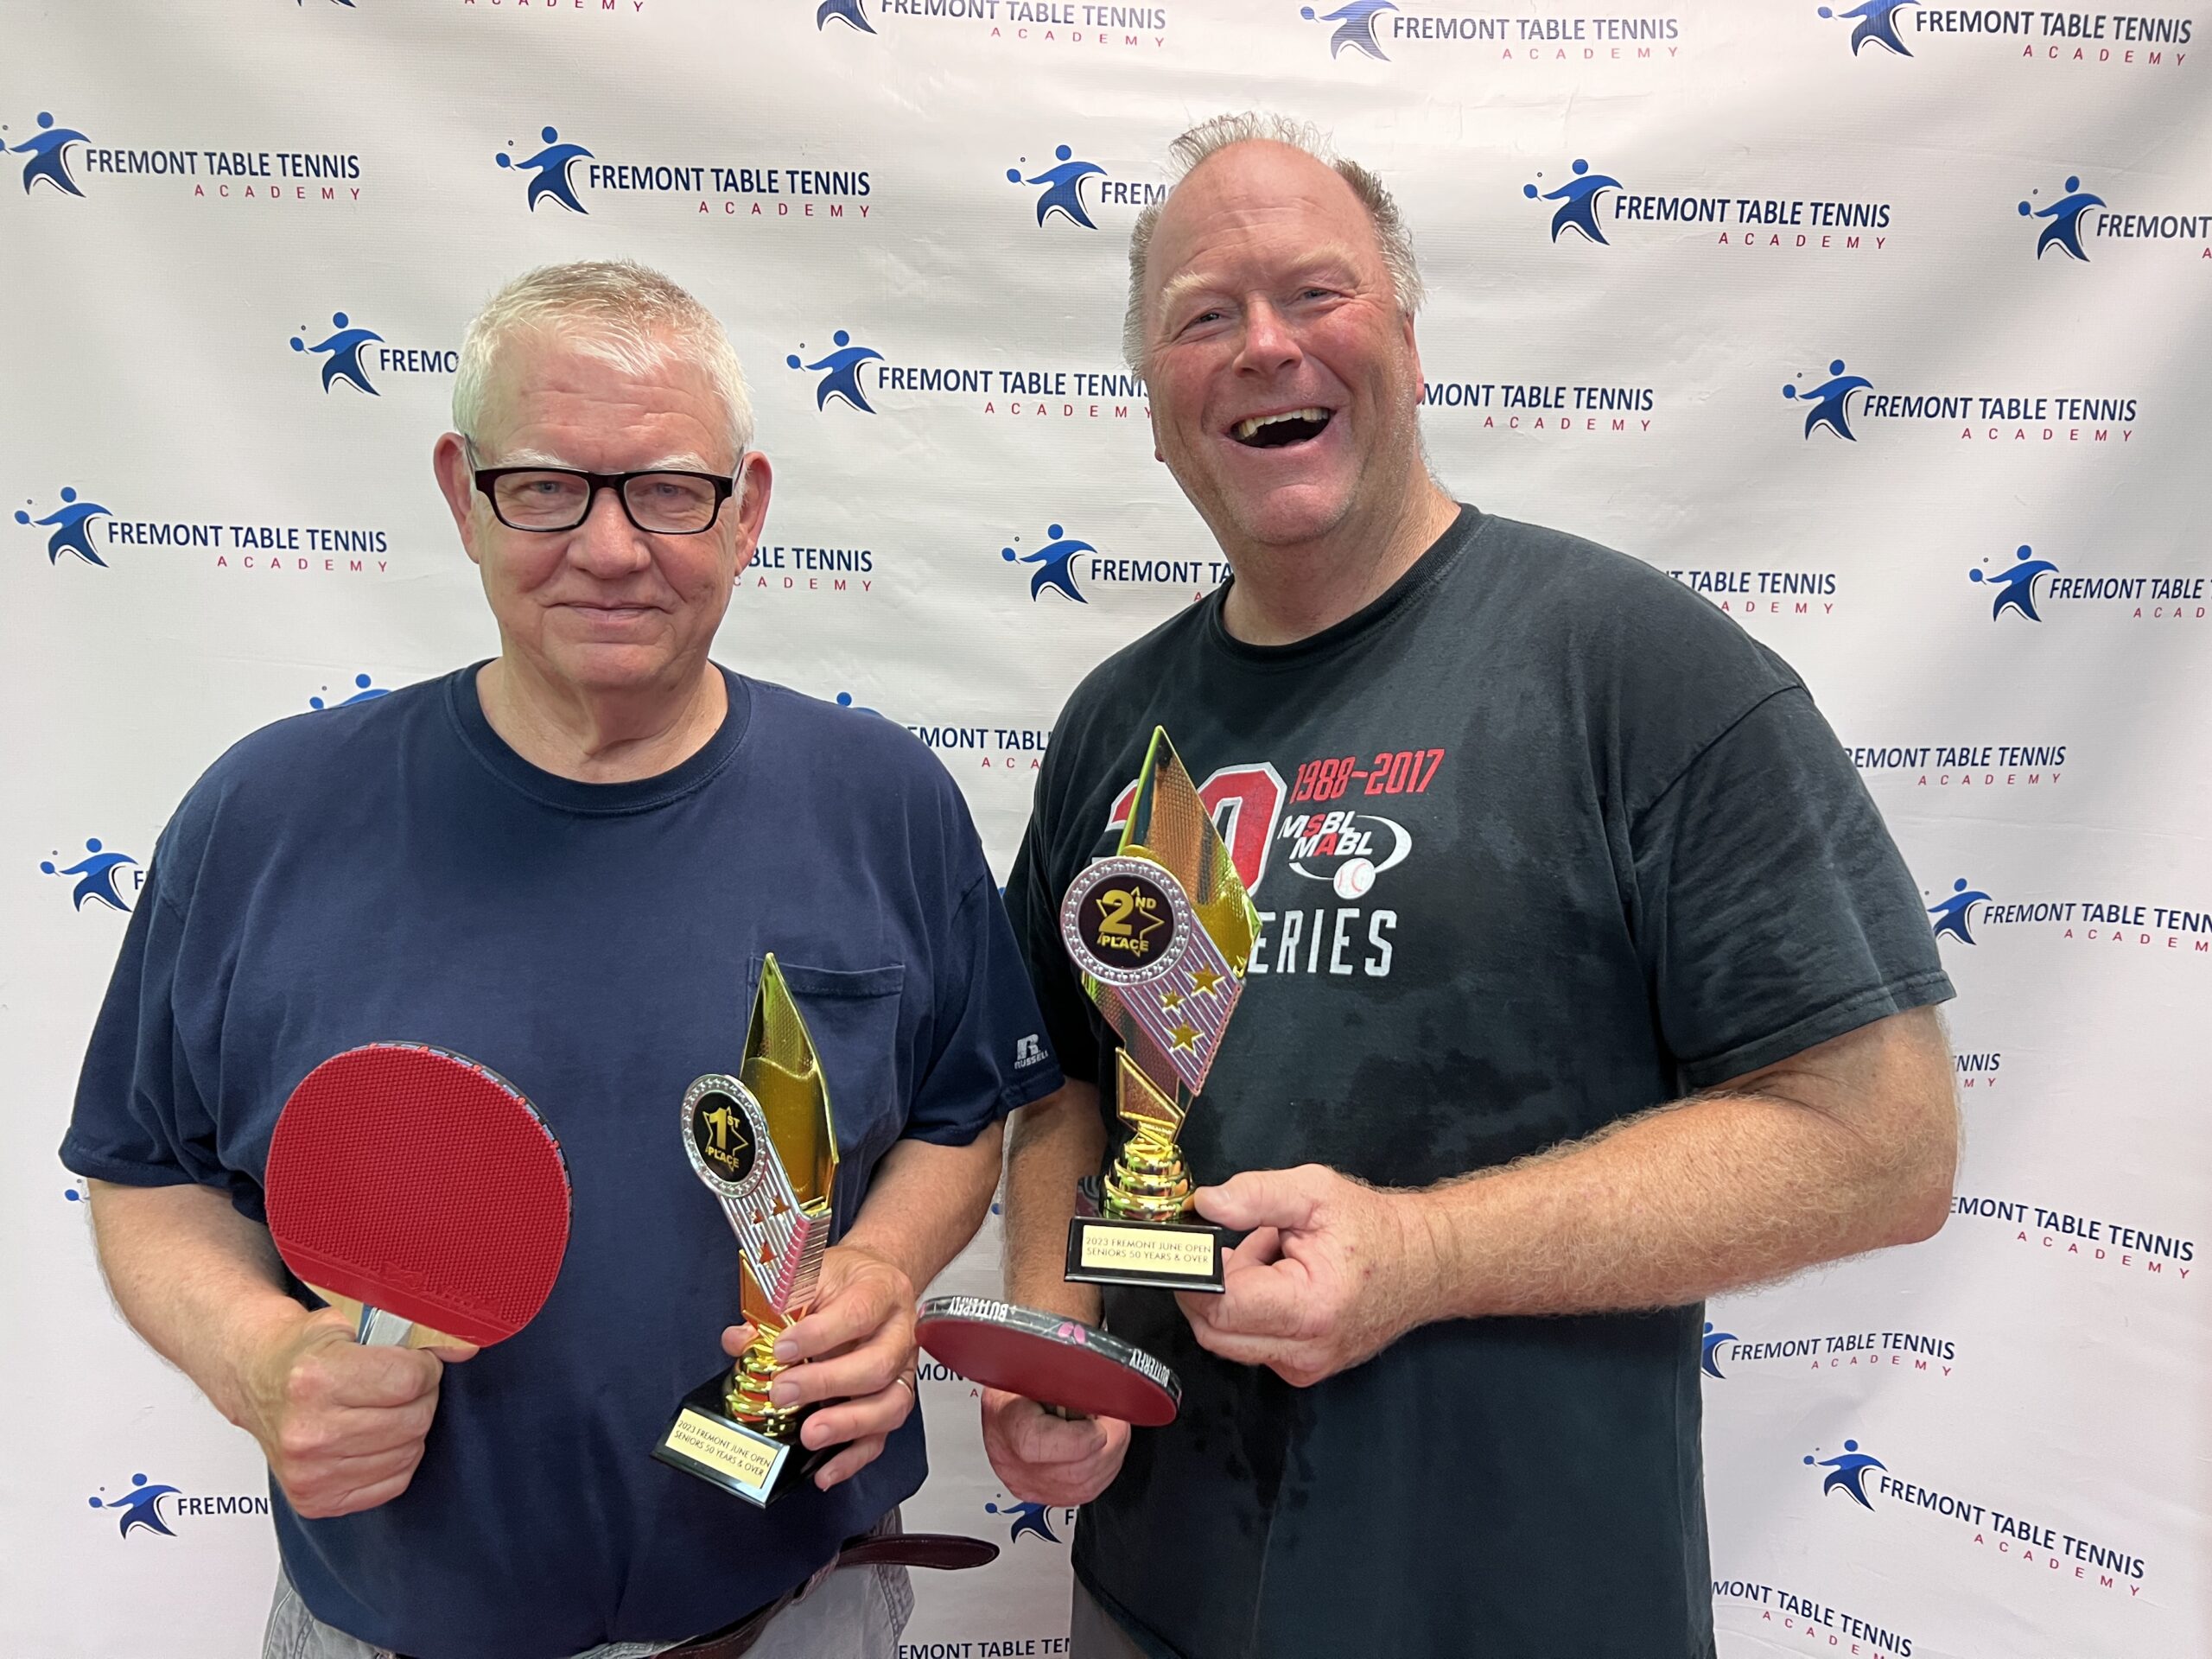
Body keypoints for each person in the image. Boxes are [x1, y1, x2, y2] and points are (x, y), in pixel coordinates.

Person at [983, 114, 1959, 1659]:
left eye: (1318, 293)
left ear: (1412, 342)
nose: (1264, 347)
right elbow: (1063, 1090)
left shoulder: (1633, 669)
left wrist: (1426, 1258)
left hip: (1527, 1602)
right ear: (1155, 402)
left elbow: (1884, 1143)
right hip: (1158, 1598)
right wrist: (1059, 1331)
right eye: (1203, 315)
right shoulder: (1118, 721)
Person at [60, 260, 1063, 1659]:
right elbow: (145, 1172)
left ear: (748, 511)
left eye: (666, 489)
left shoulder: (885, 801)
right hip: (383, 1629)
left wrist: (887, 1268)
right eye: (545, 486)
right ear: (462, 492)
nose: (608, 547)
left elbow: (960, 1120)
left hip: (798, 1620)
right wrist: (257, 1358)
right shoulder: (265, 816)